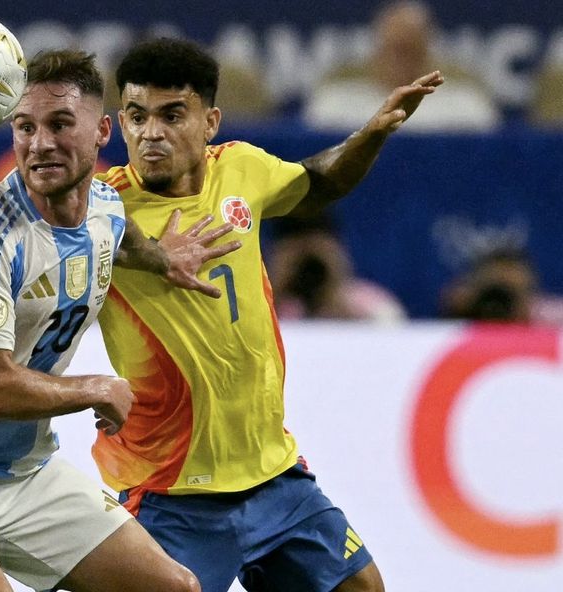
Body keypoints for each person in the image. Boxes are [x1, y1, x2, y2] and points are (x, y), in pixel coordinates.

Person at [0, 49, 241, 592]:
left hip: (23, 472)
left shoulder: (104, 205)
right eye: (24, 126)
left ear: (103, 131)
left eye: (59, 124)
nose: (40, 143)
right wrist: (95, 389)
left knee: (175, 588)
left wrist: (163, 257)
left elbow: (118, 237)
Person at [91, 37, 442, 592]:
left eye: (171, 114)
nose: (150, 133)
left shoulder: (241, 167)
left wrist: (370, 135)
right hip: (173, 493)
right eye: (135, 116)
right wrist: (86, 388)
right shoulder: (103, 210)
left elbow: (317, 181)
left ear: (210, 121)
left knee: (364, 587)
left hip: (273, 477)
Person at [304, 1, 498, 133]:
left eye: (410, 51)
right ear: (378, 49)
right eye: (394, 50)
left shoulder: (464, 104)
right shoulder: (337, 101)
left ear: (427, 51)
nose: (401, 62)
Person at [268, 215, 407, 322]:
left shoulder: (370, 305)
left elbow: (395, 335)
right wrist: (274, 294)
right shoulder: (264, 305)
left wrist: (338, 302)